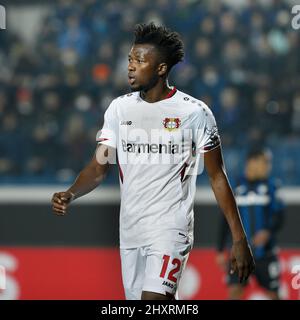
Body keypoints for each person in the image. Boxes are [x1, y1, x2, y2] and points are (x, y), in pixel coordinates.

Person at [52, 22, 255, 300]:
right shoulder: (119, 109)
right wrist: (71, 192)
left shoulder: (195, 113)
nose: (131, 66)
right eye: (129, 60)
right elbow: (99, 166)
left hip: (171, 228)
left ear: (161, 68)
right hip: (131, 230)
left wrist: (239, 238)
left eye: (139, 60)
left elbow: (217, 176)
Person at [216, 147, 284, 300]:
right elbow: (225, 218)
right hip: (240, 252)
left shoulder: (271, 186)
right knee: (234, 293)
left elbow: (279, 216)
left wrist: (267, 231)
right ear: (251, 162)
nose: (268, 166)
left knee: (274, 295)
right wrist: (220, 249)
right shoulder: (235, 186)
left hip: (265, 253)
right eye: (264, 162)